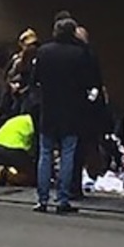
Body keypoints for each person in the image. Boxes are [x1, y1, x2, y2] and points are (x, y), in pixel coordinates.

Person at [32, 17, 98, 214]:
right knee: (68, 154)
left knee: (45, 154)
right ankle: (63, 199)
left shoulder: (44, 52)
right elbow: (89, 82)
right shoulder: (79, 54)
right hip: (71, 111)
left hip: (49, 109)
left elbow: (35, 80)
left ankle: (42, 199)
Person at [69, 24, 109, 200]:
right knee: (84, 148)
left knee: (72, 149)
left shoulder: (74, 55)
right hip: (88, 111)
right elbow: (96, 83)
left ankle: (73, 185)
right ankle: (85, 179)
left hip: (74, 110)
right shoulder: (88, 55)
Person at [0, 113, 37, 187]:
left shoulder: (19, 119)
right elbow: (34, 148)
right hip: (13, 148)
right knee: (33, 176)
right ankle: (8, 176)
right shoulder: (35, 123)